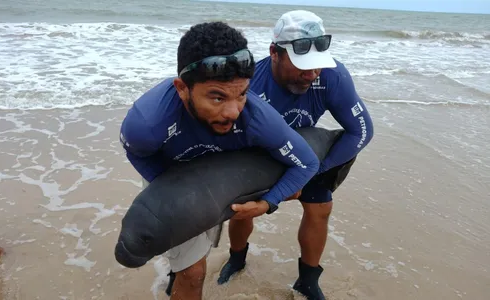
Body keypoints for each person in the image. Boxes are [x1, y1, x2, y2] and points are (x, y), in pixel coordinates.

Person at [119, 21, 321, 300]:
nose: (233, 111)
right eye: (217, 97)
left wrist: (268, 202)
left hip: (221, 175)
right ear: (181, 88)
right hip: (173, 170)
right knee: (192, 274)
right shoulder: (147, 125)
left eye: (241, 94)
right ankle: (181, 271)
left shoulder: (258, 118)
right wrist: (178, 195)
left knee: (198, 254)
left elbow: (307, 163)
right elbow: (136, 151)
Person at [217, 10, 374, 300]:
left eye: (317, 66)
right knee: (242, 212)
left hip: (309, 156)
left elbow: (361, 132)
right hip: (258, 155)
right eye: (302, 66)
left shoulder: (332, 76)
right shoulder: (249, 86)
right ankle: (237, 258)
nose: (312, 73)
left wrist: (311, 173)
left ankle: (308, 280)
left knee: (320, 209)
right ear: (274, 53)